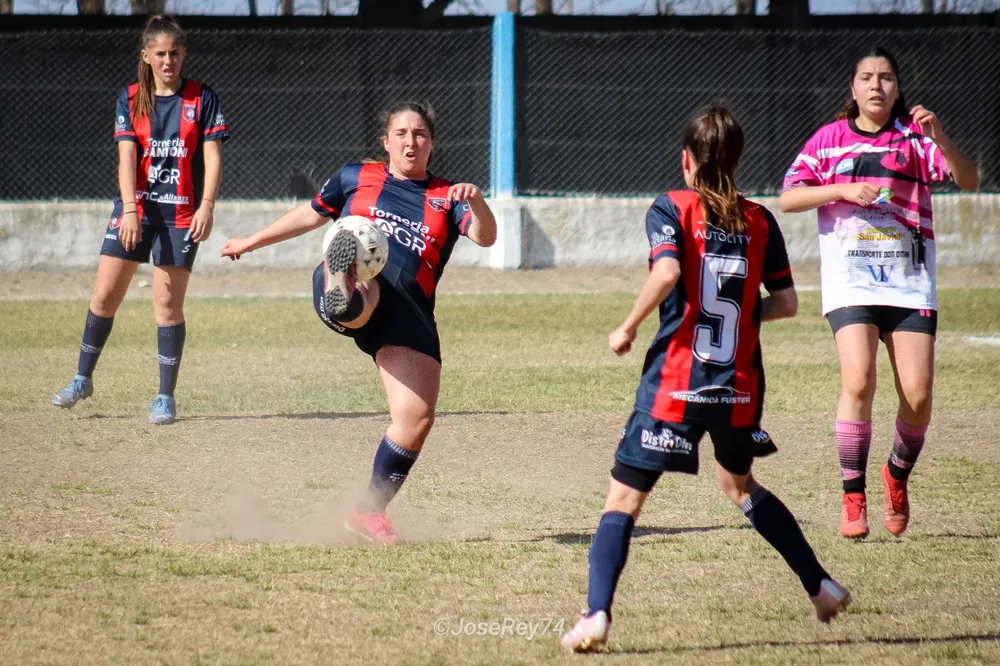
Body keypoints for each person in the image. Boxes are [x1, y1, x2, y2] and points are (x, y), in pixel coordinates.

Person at [559, 106, 850, 653]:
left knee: (622, 500)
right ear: (737, 161)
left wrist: (626, 327)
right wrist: (740, 314)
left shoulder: (672, 205)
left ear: (687, 159)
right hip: (740, 389)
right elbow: (785, 304)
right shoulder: (760, 219)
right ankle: (821, 586)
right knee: (738, 485)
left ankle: (596, 614)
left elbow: (668, 271)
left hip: (678, 385)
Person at [220, 101, 497, 546]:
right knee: (367, 281)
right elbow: (310, 214)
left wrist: (479, 203)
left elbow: (486, 237)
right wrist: (251, 242)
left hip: (411, 307)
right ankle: (342, 284)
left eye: (420, 134)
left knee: (416, 418)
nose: (411, 141)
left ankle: (367, 511)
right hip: (365, 283)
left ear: (432, 143)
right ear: (385, 142)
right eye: (402, 133)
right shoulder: (355, 176)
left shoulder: (449, 196)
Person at [779, 48, 979, 539]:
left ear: (897, 87)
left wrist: (941, 138)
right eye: (866, 77)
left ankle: (895, 475)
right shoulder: (828, 140)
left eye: (886, 77)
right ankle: (853, 494)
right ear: (852, 87)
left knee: (918, 393)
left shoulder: (916, 138)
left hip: (909, 282)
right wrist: (841, 190)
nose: (876, 85)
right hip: (852, 281)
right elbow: (788, 196)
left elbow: (969, 180)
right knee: (860, 379)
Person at [51, 15, 229, 425]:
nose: (169, 61)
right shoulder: (130, 98)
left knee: (167, 306)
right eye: (161, 53)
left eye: (176, 53)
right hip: (136, 210)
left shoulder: (203, 98)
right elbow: (126, 158)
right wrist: (130, 209)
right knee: (104, 298)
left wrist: (207, 205)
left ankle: (165, 397)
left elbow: (213, 157)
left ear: (183, 55)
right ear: (146, 56)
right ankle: (82, 378)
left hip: (181, 213)